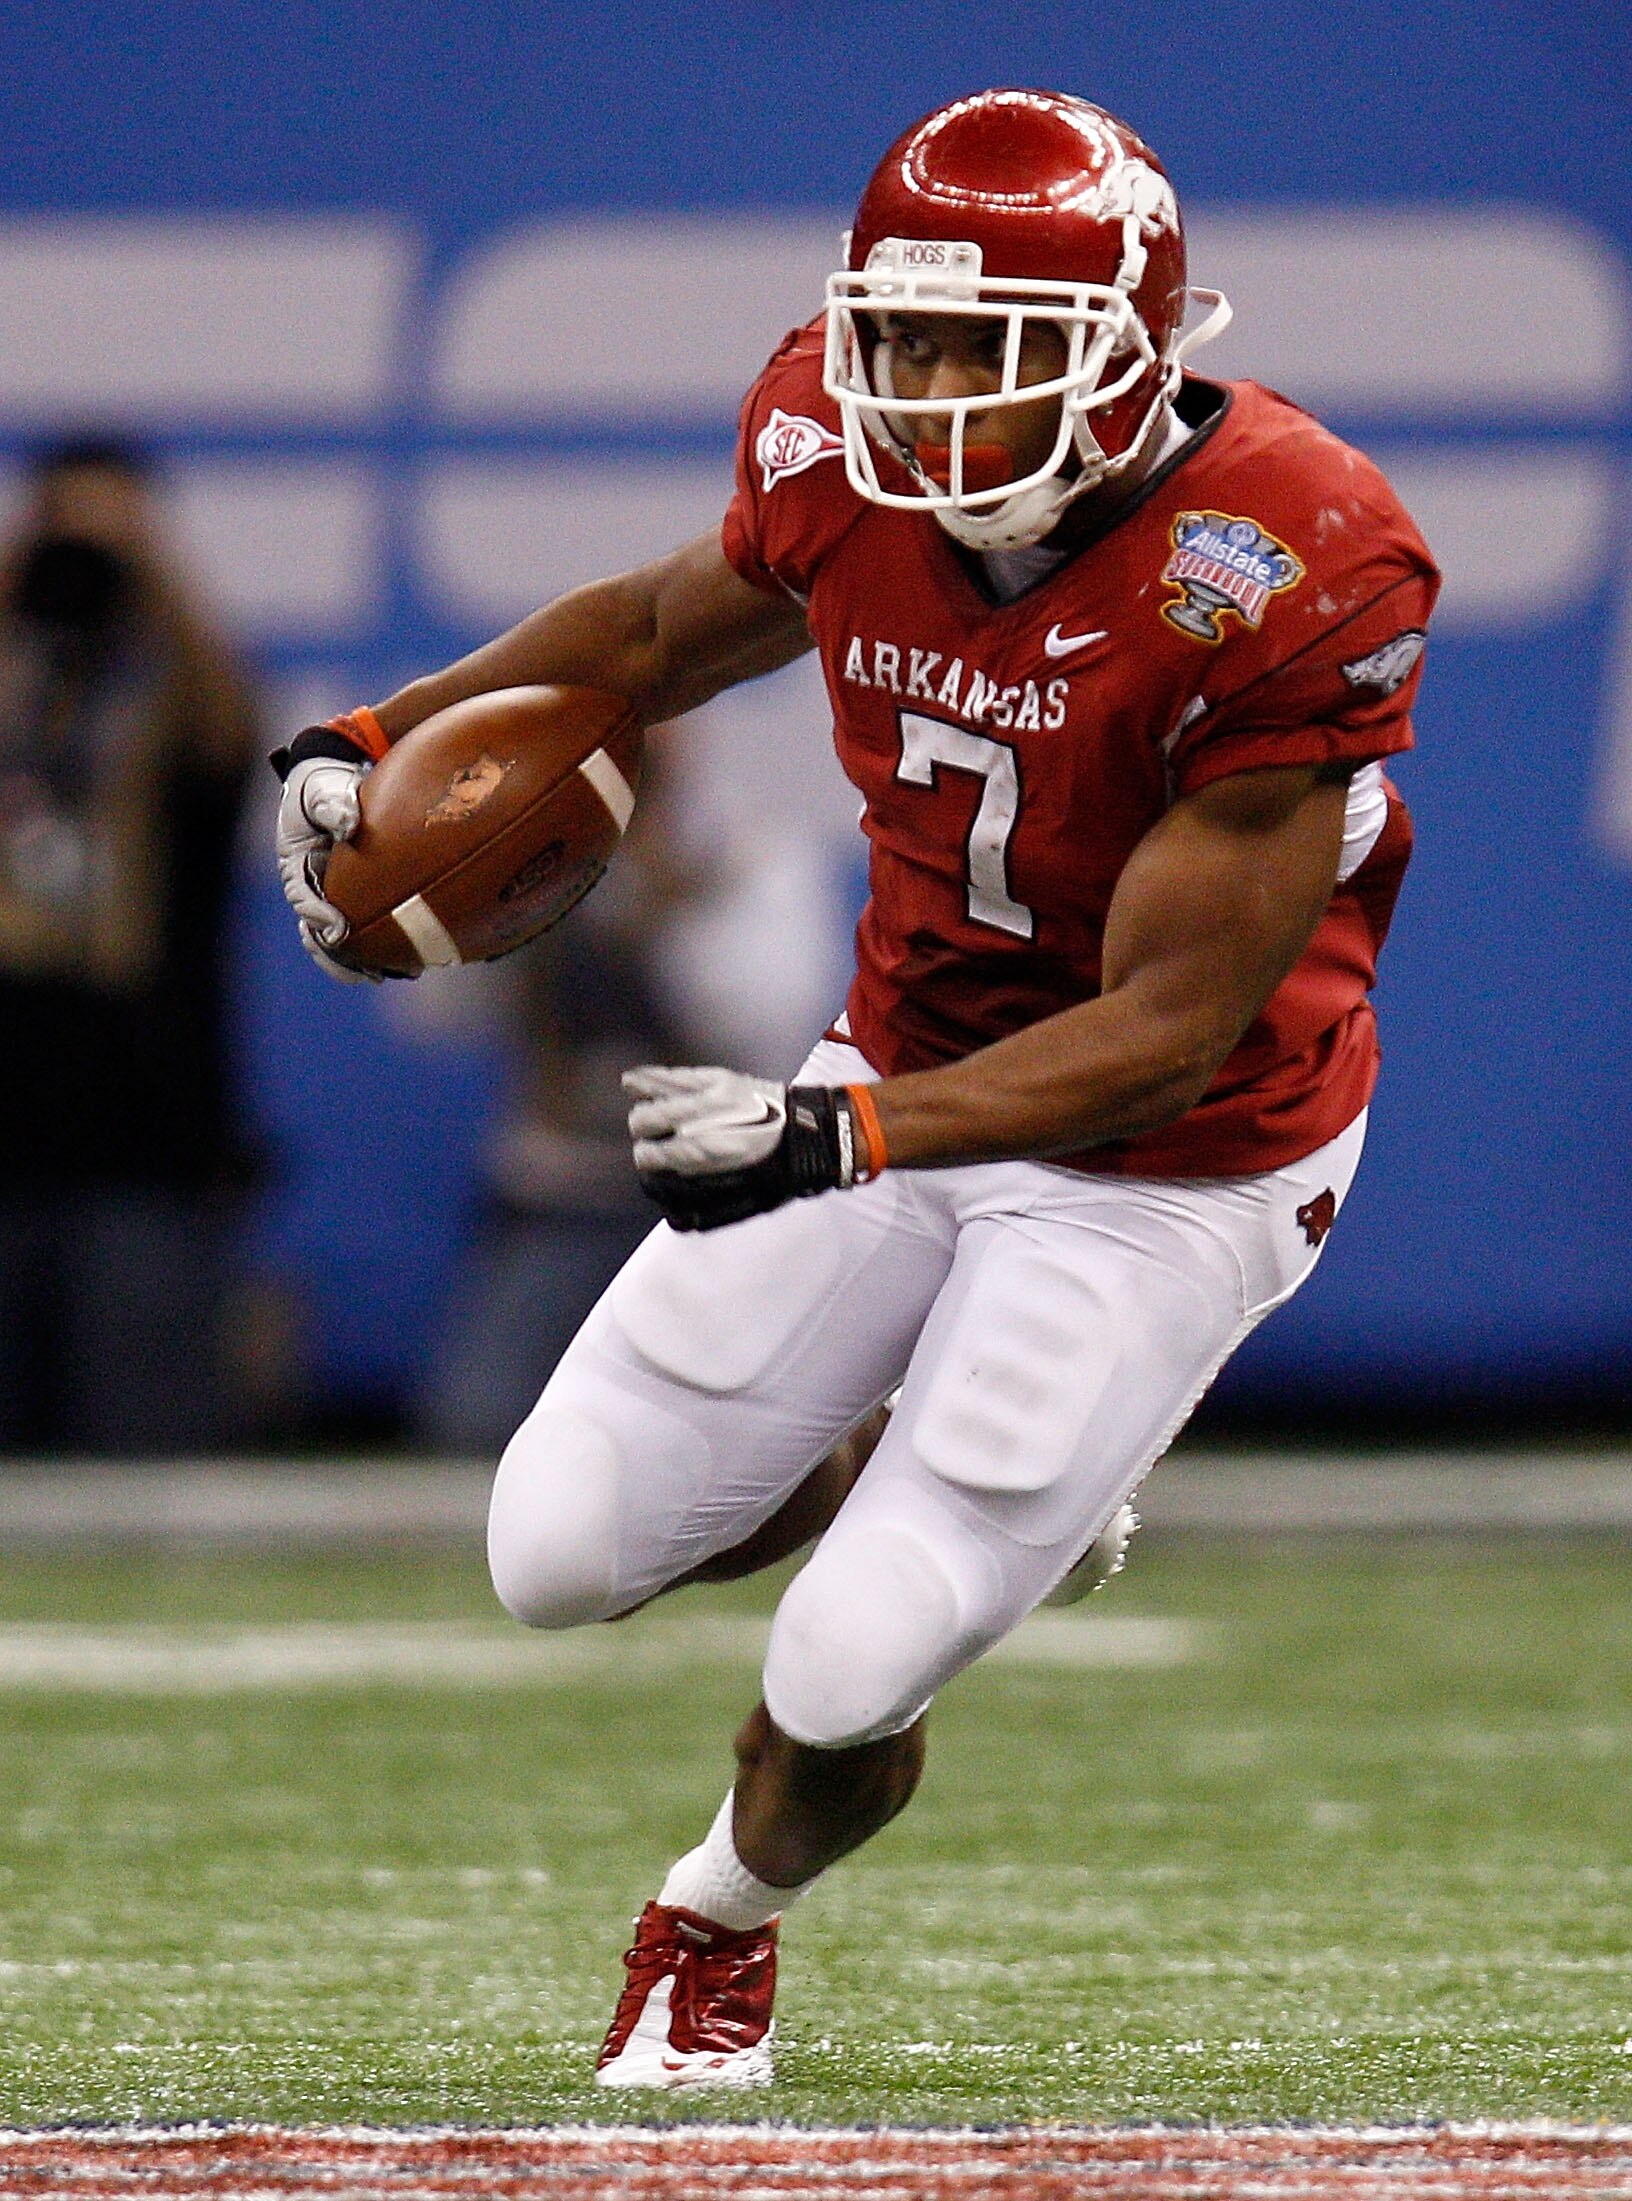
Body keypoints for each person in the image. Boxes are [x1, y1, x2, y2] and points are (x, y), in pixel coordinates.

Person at [275, 89, 1438, 2088]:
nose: (927, 391)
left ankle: (717, 1912)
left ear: (1138, 348)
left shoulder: (1291, 561)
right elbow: (655, 628)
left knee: (847, 1654)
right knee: (552, 1548)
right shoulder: (832, 445)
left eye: (994, 344)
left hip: (1179, 1152)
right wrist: (382, 731)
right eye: (902, 335)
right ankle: (924, 1430)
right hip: (900, 1059)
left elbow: (1168, 1020)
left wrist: (834, 1133)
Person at [0, 437, 260, 1450]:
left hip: (147, 1136)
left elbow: (232, 736)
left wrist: (149, 575)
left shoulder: (174, 694)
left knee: (147, 1449)